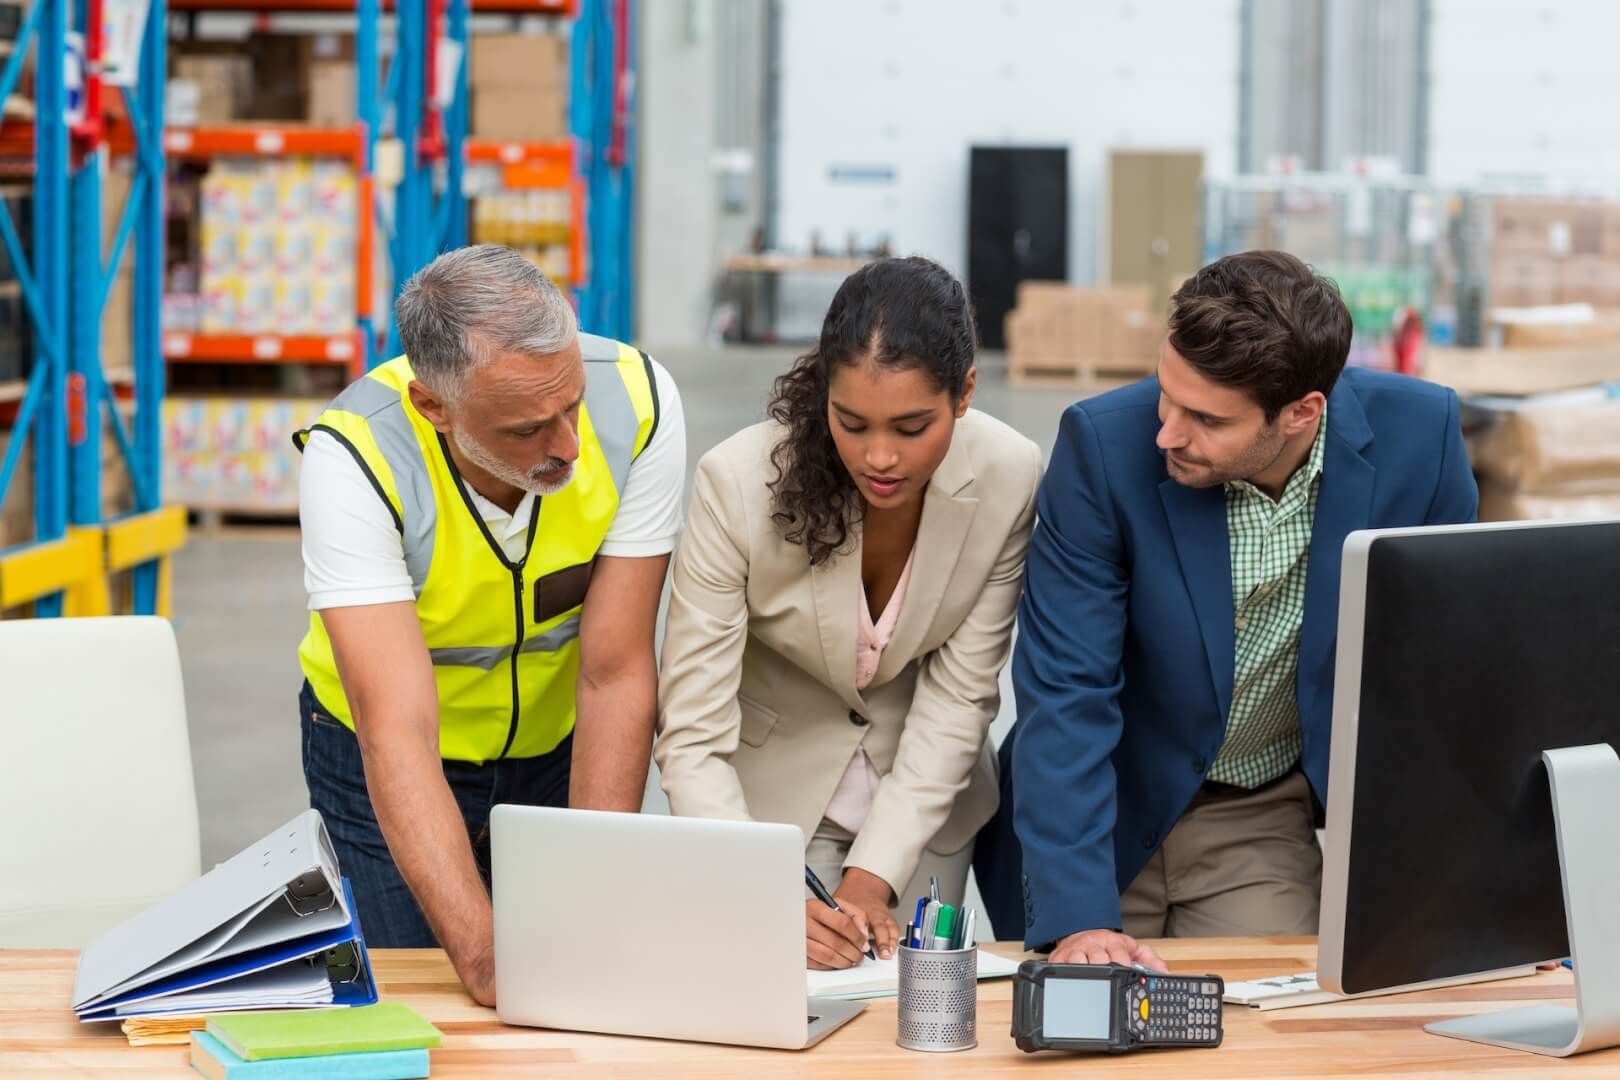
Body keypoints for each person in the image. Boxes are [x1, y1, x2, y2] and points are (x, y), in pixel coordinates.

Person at [975, 250, 1478, 968]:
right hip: (1097, 803)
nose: (1167, 433)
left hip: (1257, 808)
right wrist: (1079, 921)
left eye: (1206, 418)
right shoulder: (1103, 450)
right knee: (1082, 1032)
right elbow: (1066, 692)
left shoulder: (1419, 442)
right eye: (1165, 393)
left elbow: (1438, 683)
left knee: (1275, 1036)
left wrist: (1455, 897)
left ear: (1304, 413)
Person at [295, 244, 686, 1003]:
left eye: (569, 405)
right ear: (432, 407)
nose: (569, 447)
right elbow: (397, 732)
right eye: (525, 430)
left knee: (576, 976)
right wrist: (481, 958)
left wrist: (594, 893)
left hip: (557, 745)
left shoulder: (638, 403)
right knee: (421, 1003)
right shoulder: (354, 457)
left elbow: (615, 671)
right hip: (385, 759)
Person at [655, 256, 1042, 969]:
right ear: (822, 394)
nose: (881, 456)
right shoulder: (737, 485)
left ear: (965, 393)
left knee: (916, 1026)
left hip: (926, 813)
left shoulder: (1010, 474)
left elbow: (961, 699)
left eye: (912, 425)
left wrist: (873, 879)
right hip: (763, 814)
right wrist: (757, 887)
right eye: (852, 423)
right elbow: (691, 733)